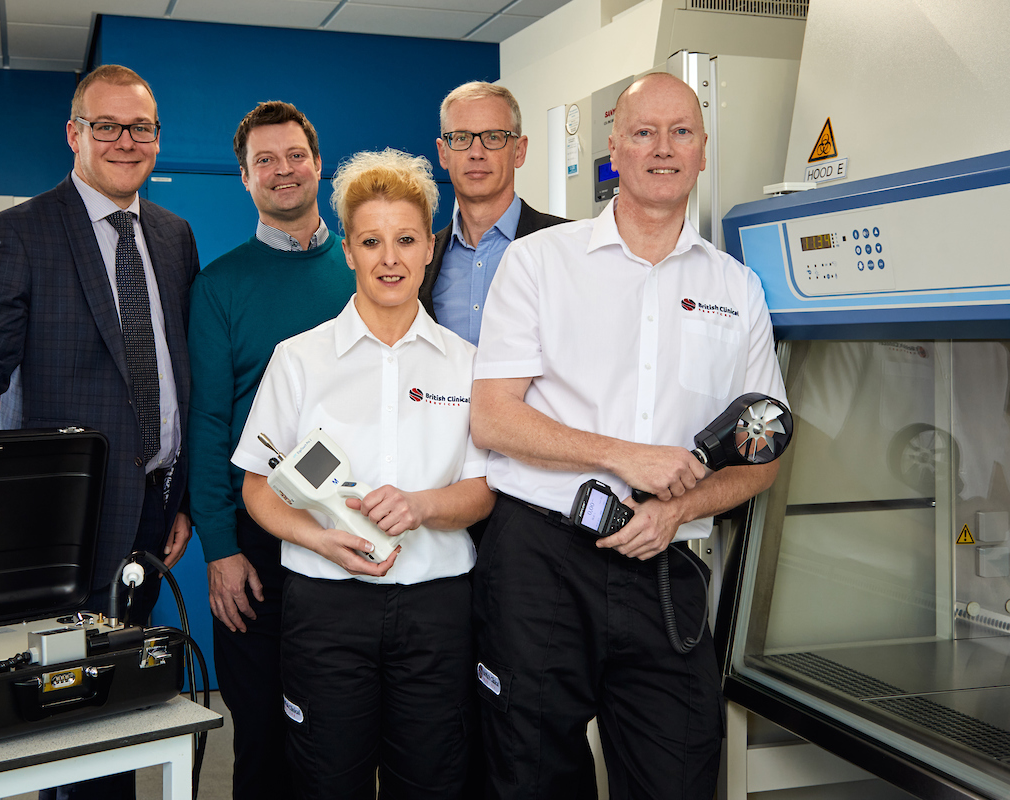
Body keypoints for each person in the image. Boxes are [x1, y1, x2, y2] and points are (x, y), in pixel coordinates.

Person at [468, 72, 789, 799]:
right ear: (615, 148)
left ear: (702, 150)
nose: (663, 148)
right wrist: (621, 455)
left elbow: (763, 451)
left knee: (678, 772)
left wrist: (676, 509)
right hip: (541, 560)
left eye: (681, 132)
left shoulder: (736, 289)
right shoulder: (541, 263)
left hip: (665, 568)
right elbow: (493, 416)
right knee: (531, 775)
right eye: (644, 132)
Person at [0, 64, 199, 800]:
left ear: (157, 139)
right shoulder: (19, 233)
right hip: (66, 517)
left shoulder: (174, 236)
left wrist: (182, 496)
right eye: (106, 125)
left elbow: (179, 372)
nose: (124, 141)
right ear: (74, 134)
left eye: (140, 127)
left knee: (125, 699)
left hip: (152, 504)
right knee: (69, 710)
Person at [231, 148, 493, 799]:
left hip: (437, 609)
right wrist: (320, 539)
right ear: (347, 250)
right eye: (371, 241)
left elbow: (485, 490)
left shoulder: (466, 364)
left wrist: (425, 506)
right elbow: (257, 486)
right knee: (325, 779)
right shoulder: (299, 360)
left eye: (405, 240)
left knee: (433, 781)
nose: (389, 259)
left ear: (429, 248)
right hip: (326, 610)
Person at [186, 101, 354, 799]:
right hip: (259, 543)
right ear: (245, 178)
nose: (282, 171)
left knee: (342, 734)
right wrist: (220, 550)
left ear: (317, 163)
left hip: (357, 526)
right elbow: (207, 425)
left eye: (294, 156)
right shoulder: (220, 287)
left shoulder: (365, 265)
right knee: (261, 735)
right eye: (265, 161)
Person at [421, 81, 565, 344]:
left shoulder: (568, 245)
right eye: (462, 138)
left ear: (519, 151)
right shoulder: (420, 259)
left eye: (494, 137)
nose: (477, 153)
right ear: (443, 153)